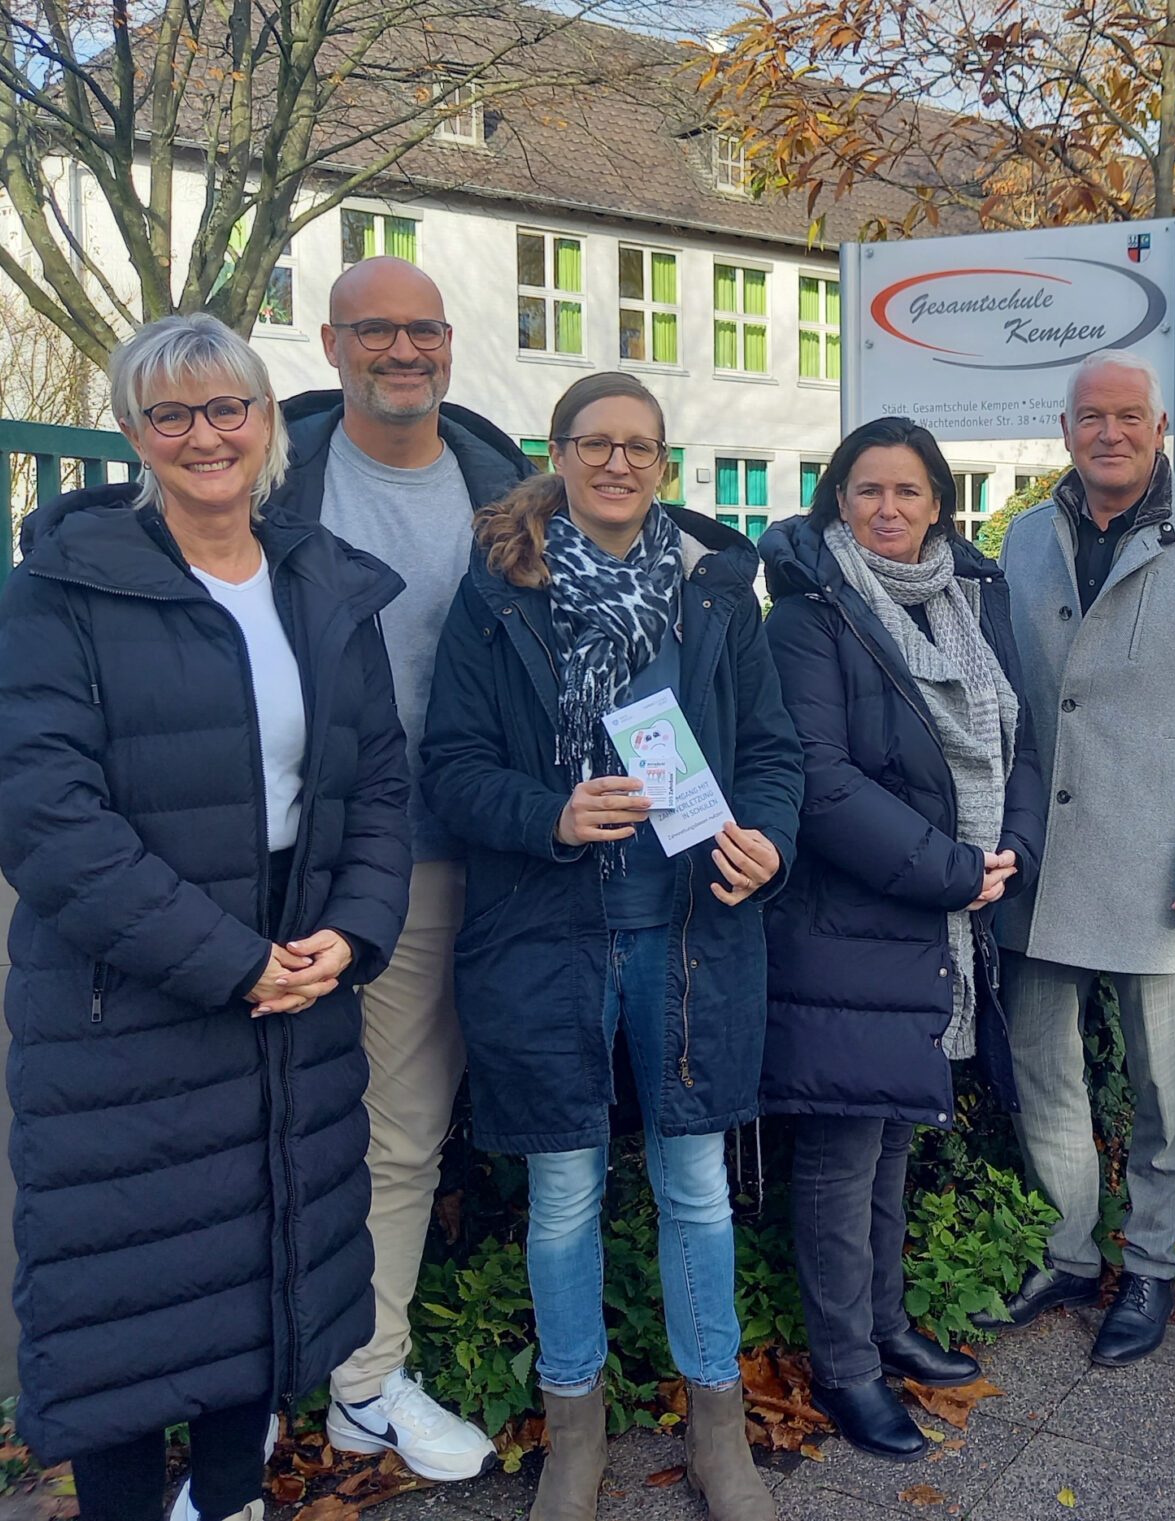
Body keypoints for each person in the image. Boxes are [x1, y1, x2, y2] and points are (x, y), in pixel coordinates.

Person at [0, 315, 411, 1521]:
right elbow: (43, 815)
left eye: (228, 407)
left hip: (296, 980)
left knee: (259, 1280)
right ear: (133, 432)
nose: (204, 435)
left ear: (267, 421)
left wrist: (354, 932)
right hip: (128, 1002)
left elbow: (380, 783)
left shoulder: (323, 584)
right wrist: (230, 963)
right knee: (120, 1304)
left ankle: (230, 1500)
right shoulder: (66, 586)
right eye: (170, 412)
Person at [422, 372, 803, 1521]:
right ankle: (573, 1431)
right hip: (548, 935)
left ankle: (716, 1427)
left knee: (696, 1188)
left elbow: (772, 753)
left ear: (665, 464)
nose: (619, 463)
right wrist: (551, 814)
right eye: (596, 443)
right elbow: (451, 769)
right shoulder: (499, 596)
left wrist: (769, 841)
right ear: (558, 453)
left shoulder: (716, 595)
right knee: (563, 1196)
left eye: (641, 447)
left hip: (691, 933)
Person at [269, 256, 532, 1480]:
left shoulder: (499, 486)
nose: (404, 351)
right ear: (332, 347)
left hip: (486, 851)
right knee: (277, 1123)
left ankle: (365, 1381)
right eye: (375, 331)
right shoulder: (279, 480)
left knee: (408, 1130)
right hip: (317, 857)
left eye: (423, 330)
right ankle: (262, 1380)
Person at [978, 348, 1175, 1366]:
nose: (1110, 432)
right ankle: (1067, 1251)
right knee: (1044, 1069)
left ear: (1160, 429)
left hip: (1160, 868)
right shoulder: (1024, 538)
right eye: (1091, 416)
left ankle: (1149, 1262)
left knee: (1162, 1082)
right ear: (1065, 430)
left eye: (1129, 415)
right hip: (1042, 857)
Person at [757, 418, 1046, 1460]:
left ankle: (884, 1327)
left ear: (938, 505)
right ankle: (846, 1369)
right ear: (837, 499)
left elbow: (1017, 740)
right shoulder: (809, 616)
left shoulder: (973, 602)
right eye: (868, 489)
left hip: (944, 913)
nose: (888, 508)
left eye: (909, 490)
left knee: (890, 1139)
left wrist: (1011, 849)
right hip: (852, 920)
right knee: (843, 1150)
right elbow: (821, 780)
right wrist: (954, 871)